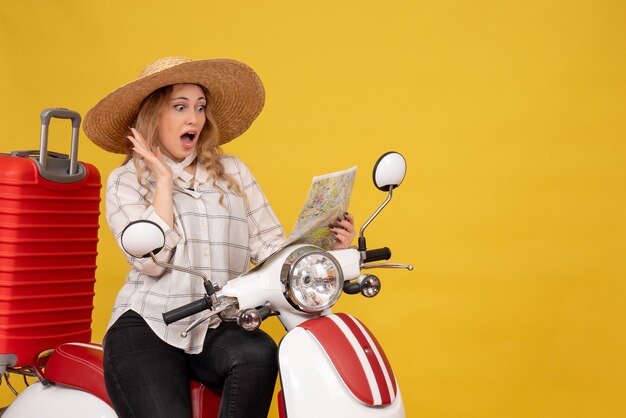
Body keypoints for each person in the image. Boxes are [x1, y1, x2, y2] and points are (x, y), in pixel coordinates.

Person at [82, 57, 355, 418]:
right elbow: (149, 263)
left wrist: (327, 250)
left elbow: (272, 248)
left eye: (200, 107)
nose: (193, 119)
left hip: (216, 324)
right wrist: (163, 181)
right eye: (179, 107)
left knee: (258, 353)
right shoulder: (127, 181)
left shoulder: (233, 173)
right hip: (148, 326)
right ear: (155, 117)